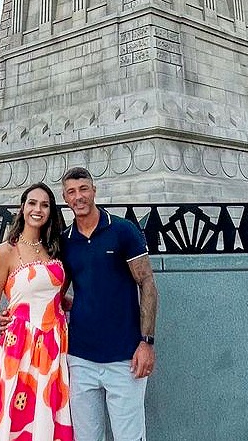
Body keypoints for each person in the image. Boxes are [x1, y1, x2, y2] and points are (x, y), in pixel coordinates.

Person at [60, 166, 158, 441]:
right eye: (71, 192)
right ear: (65, 199)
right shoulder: (65, 241)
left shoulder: (123, 231)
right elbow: (55, 289)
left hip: (125, 357)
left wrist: (146, 342)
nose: (78, 196)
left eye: (83, 189)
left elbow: (147, 283)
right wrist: (15, 314)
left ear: (94, 191)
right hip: (80, 358)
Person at [0, 183, 72, 441]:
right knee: (14, 422)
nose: (37, 209)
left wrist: (65, 302)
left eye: (44, 204)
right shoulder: (6, 252)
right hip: (18, 351)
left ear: (51, 211)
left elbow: (53, 294)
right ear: (22, 207)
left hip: (53, 350)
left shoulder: (55, 249)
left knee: (46, 423)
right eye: (32, 203)